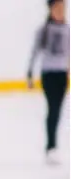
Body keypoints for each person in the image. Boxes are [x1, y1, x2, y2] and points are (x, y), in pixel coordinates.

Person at [27, 0, 69, 165]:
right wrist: (29, 73)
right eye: (58, 8)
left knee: (58, 111)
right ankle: (51, 145)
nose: (61, 11)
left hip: (62, 75)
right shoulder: (44, 30)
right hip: (49, 75)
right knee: (52, 110)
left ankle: (53, 145)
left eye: (63, 8)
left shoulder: (67, 29)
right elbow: (34, 52)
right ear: (51, 9)